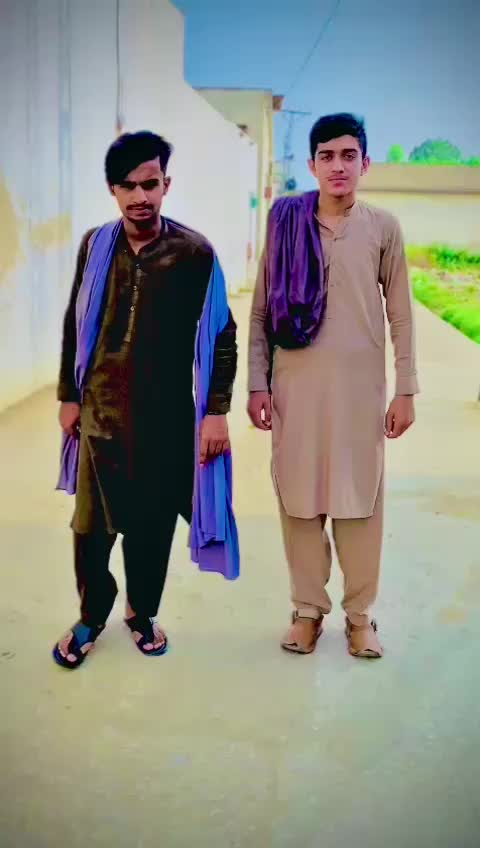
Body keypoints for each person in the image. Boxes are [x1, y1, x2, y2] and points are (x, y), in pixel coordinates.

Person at [54, 131, 237, 668]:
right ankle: (92, 615)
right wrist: (69, 395)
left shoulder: (194, 253)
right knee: (91, 530)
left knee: (152, 528)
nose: (140, 196)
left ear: (166, 185)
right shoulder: (95, 245)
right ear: (112, 189)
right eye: (128, 186)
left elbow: (221, 334)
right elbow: (74, 321)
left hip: (165, 420)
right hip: (100, 414)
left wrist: (216, 412)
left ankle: (141, 612)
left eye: (150, 184)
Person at [248, 113, 418, 658]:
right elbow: (260, 312)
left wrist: (406, 388)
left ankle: (360, 617)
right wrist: (256, 384)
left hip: (359, 396)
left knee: (360, 504)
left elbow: (401, 314)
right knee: (298, 502)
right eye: (327, 156)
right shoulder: (285, 224)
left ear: (365, 163)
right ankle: (306, 611)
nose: (338, 165)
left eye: (349, 155)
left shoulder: (383, 227)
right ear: (312, 164)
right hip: (295, 392)